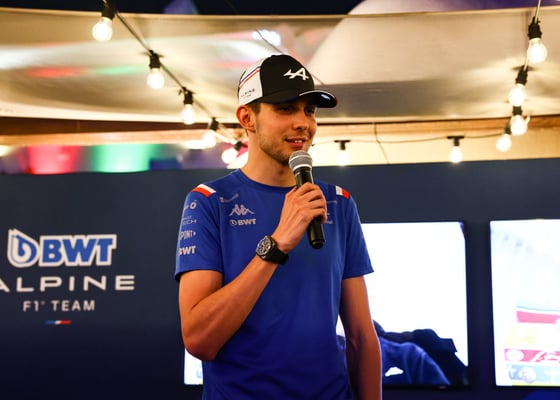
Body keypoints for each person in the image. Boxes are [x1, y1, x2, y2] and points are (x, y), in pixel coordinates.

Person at [175, 54, 382, 399]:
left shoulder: (338, 202)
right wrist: (276, 244)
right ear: (247, 118)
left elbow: (360, 336)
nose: (303, 123)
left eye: (310, 110)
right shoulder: (209, 201)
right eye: (286, 109)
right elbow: (200, 341)